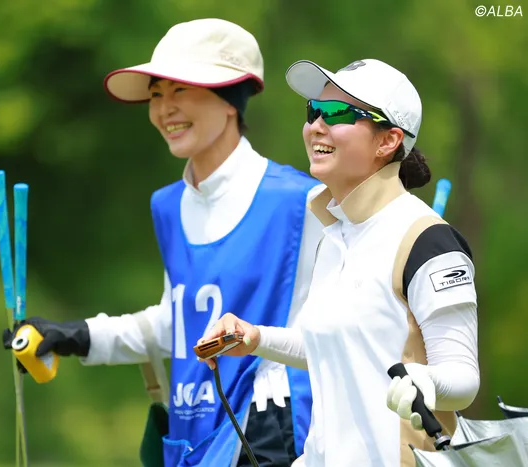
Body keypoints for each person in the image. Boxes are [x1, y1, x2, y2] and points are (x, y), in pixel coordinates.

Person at [2, 18, 326, 467]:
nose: (164, 109)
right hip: (192, 430)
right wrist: (75, 336)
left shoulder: (303, 201)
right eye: (156, 94)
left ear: (230, 99)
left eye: (181, 90)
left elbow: (335, 332)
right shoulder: (168, 206)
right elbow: (177, 323)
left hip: (272, 429)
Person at [198, 58, 480, 467]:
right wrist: (257, 338)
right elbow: (334, 348)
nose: (316, 125)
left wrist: (425, 380)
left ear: (388, 140)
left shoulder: (427, 240)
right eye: (314, 110)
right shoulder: (335, 235)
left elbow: (464, 380)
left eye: (337, 113)